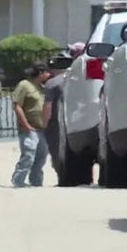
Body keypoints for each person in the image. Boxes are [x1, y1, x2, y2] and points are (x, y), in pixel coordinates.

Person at [42, 42, 85, 182]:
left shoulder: (52, 83)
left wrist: (43, 123)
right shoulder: (79, 80)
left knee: (56, 152)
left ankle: (63, 177)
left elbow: (48, 106)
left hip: (55, 124)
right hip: (77, 120)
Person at [11, 61, 51, 188]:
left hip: (42, 129)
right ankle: (18, 181)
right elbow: (17, 106)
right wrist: (26, 124)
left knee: (41, 158)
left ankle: (36, 182)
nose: (49, 75)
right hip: (29, 128)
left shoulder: (43, 88)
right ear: (40, 73)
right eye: (47, 72)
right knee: (28, 155)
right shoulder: (24, 85)